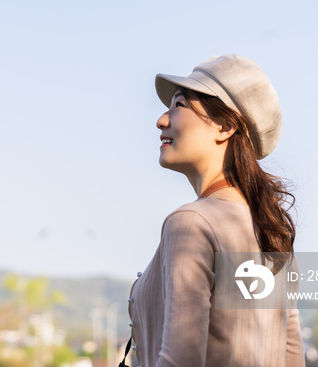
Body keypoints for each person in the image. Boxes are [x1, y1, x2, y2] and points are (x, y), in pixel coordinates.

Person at [126, 54, 304, 367]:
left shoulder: (192, 223)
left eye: (179, 105)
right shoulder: (269, 232)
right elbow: (292, 359)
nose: (161, 120)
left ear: (225, 126)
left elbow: (180, 360)